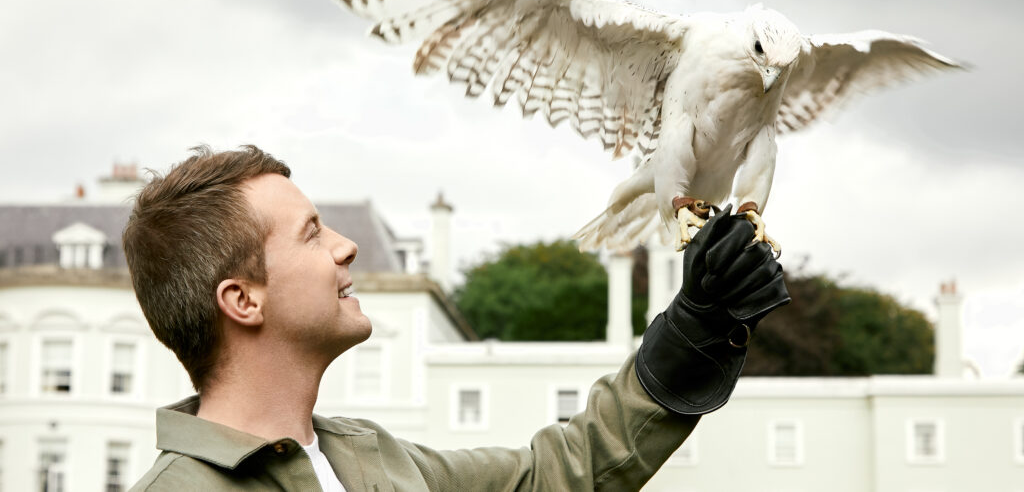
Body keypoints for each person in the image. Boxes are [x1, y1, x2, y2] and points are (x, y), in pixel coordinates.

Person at [124, 145, 789, 491]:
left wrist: (697, 325)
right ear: (243, 299)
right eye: (311, 232)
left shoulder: (370, 457)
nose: (345, 246)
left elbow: (562, 471)